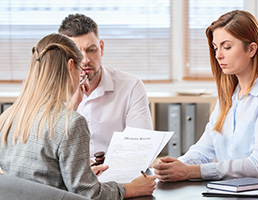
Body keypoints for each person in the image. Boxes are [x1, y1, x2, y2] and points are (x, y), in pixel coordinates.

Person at [0, 33, 156, 199]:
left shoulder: (8, 117)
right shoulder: (72, 123)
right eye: (80, 69)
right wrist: (131, 188)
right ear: (70, 66)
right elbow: (89, 194)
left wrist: (84, 173)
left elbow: (40, 179)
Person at [153, 10, 258, 186]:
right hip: (233, 191)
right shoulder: (228, 99)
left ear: (251, 49)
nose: (218, 55)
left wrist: (191, 171)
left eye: (227, 47)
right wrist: (174, 166)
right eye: (216, 48)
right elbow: (203, 151)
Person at [58, 13, 153, 158]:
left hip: (116, 172)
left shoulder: (131, 86)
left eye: (91, 50)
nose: (85, 60)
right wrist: (72, 106)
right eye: (77, 53)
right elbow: (49, 149)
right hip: (70, 176)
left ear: (101, 48)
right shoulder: (51, 89)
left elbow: (140, 148)